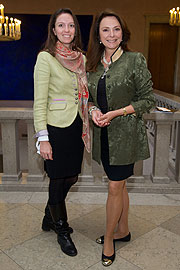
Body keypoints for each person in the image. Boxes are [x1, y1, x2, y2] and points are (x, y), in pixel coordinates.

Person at [86, 10, 155, 266]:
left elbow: (147, 99)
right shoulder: (92, 65)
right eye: (106, 30)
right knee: (120, 184)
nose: (111, 34)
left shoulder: (134, 60)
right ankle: (123, 229)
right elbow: (89, 98)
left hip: (126, 137)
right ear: (99, 35)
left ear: (122, 33)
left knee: (115, 186)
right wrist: (93, 110)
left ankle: (109, 238)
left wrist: (116, 112)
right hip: (103, 136)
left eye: (116, 29)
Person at [33, 8, 90, 257]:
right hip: (55, 126)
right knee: (57, 179)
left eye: (71, 26)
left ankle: (49, 214)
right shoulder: (46, 58)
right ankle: (61, 229)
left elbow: (84, 93)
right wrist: (42, 138)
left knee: (72, 177)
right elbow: (39, 101)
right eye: (61, 25)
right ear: (53, 30)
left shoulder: (82, 58)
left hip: (77, 124)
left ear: (75, 30)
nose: (66, 30)